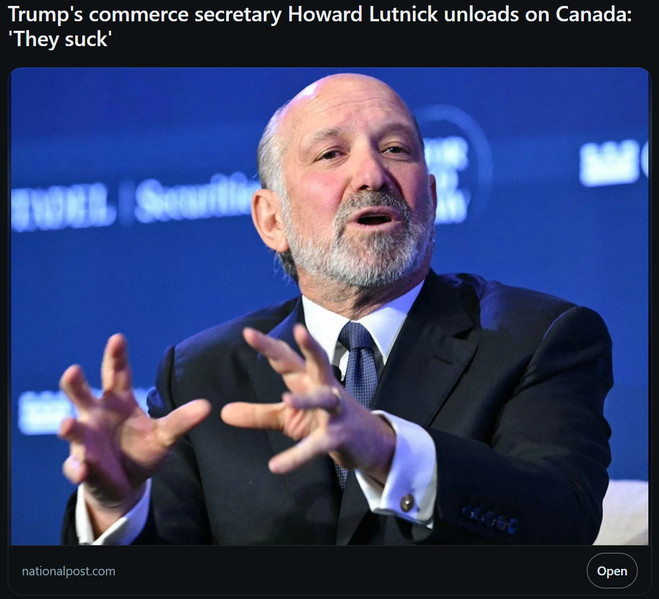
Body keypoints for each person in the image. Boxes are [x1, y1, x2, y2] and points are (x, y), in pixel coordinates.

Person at [59, 73, 613, 545]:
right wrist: (115, 507)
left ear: (432, 196)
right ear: (272, 220)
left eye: (396, 149)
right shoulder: (200, 375)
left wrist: (387, 450)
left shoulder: (537, 338)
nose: (372, 175)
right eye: (331, 154)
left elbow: (562, 524)